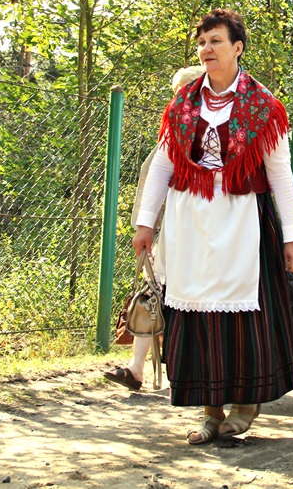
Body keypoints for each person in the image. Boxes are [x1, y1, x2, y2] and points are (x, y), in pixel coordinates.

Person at [132, 8, 293, 445]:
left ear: (237, 47)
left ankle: (246, 404)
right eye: (202, 42)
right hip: (190, 222)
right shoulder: (182, 105)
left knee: (247, 316)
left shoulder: (263, 106)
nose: (206, 49)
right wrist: (145, 223)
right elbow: (163, 167)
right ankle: (210, 411)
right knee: (194, 314)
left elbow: (281, 175)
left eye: (215, 41)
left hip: (244, 220)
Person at [104, 65, 205, 392]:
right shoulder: (173, 129)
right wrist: (145, 227)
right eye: (176, 92)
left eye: (184, 91)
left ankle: (199, 371)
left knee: (196, 301)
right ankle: (136, 369)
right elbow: (153, 179)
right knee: (152, 296)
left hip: (206, 234)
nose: (178, 98)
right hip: (172, 232)